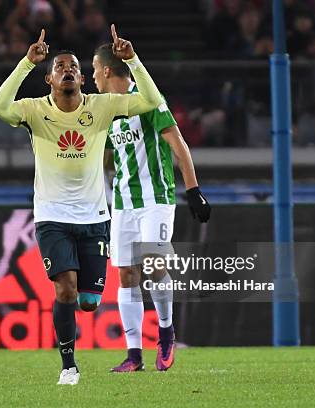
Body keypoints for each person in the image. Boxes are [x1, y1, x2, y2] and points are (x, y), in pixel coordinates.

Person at [0, 25, 165, 385]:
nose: (66, 69)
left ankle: (76, 336)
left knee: (88, 301)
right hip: (51, 217)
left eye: (72, 66)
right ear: (49, 80)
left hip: (94, 219)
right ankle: (68, 366)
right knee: (65, 288)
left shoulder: (102, 107)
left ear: (82, 78)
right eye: (59, 67)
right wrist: (25, 63)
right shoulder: (35, 110)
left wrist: (131, 60)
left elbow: (150, 100)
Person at [92, 44, 211, 372]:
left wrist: (194, 190)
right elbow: (106, 158)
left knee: (155, 264)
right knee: (126, 274)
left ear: (106, 70)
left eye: (93, 69)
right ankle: (134, 354)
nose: (91, 77)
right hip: (124, 203)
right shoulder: (106, 110)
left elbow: (178, 144)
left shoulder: (148, 100)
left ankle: (166, 332)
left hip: (156, 199)